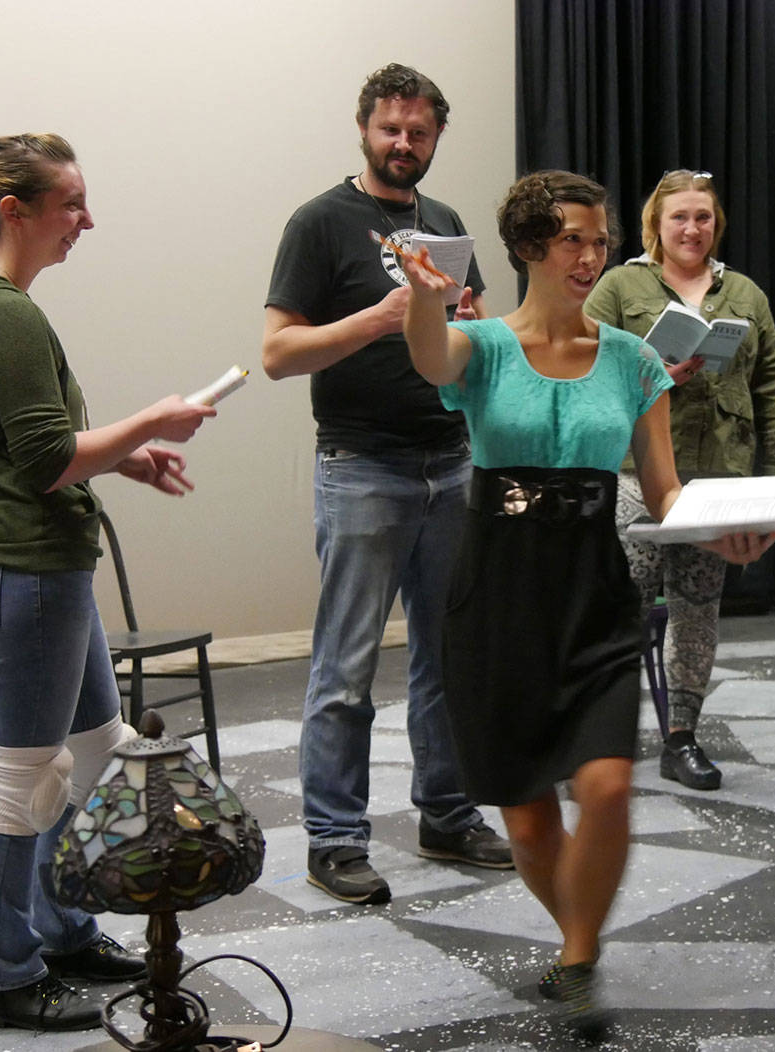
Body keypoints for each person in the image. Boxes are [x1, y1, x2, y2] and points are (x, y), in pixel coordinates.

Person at [402, 170, 773, 1041]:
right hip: (495, 594)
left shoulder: (634, 359)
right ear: (530, 247)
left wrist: (727, 531)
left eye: (600, 241)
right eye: (573, 238)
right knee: (527, 811)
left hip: (593, 588)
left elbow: (665, 491)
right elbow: (429, 359)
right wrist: (425, 297)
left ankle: (575, 958)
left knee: (605, 788)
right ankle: (576, 946)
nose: (591, 255)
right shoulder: (482, 345)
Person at [0, 133, 216, 1031]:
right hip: (23, 576)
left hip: (39, 570)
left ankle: (61, 927)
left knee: (91, 755)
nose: (86, 221)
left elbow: (22, 453)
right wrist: (150, 420)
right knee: (24, 779)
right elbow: (47, 457)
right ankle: (4, 974)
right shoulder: (6, 315)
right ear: (15, 211)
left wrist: (123, 460)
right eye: (71, 205)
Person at [261, 62, 511, 906]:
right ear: (364, 129)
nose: (403, 143)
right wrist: (379, 317)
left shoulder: (442, 222)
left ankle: (446, 811)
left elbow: (453, 337)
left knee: (451, 656)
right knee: (347, 664)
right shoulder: (321, 222)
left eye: (419, 132)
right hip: (362, 464)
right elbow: (275, 354)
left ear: (437, 137)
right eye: (389, 129)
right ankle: (335, 837)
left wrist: (466, 325)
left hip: (451, 458)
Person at [584, 169, 775, 790]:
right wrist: (652, 378)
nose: (692, 228)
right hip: (635, 474)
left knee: (698, 611)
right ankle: (600, 743)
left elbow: (774, 389)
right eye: (678, 217)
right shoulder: (622, 285)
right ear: (656, 223)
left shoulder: (746, 296)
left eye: (703, 217)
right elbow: (580, 365)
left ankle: (682, 738)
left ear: (715, 223)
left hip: (719, 479)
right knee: (619, 609)